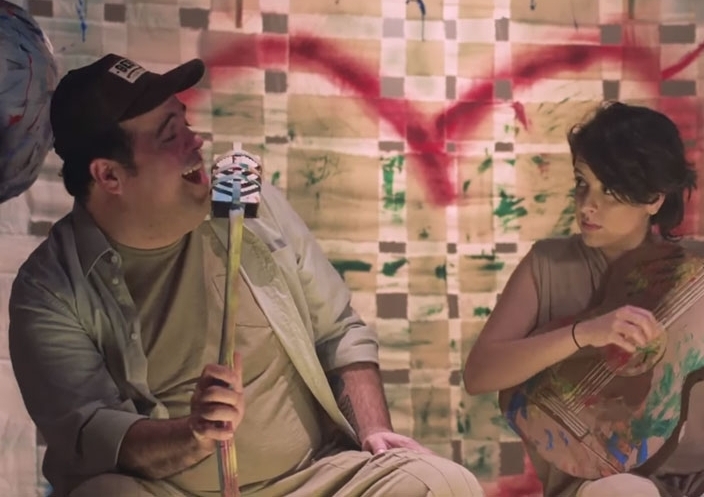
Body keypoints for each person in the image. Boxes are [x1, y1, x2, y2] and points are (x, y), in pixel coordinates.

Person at [8, 54, 483, 497]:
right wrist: (194, 433)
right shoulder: (49, 290)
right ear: (109, 176)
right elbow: (92, 434)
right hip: (168, 491)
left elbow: (338, 332)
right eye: (170, 135)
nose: (196, 141)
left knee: (442, 483)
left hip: (316, 477)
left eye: (185, 122)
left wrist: (374, 430)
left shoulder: (250, 207)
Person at [462, 102, 704, 497]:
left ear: (654, 198)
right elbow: (479, 375)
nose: (586, 205)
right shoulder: (548, 264)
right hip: (598, 476)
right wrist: (584, 333)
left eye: (609, 191)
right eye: (582, 182)